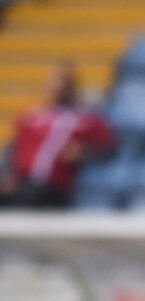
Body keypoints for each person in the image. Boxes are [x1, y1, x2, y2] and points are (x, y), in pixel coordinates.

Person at [0, 61, 114, 208]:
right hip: (21, 182)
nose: (56, 86)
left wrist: (84, 152)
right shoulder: (32, 116)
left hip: (53, 187)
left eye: (62, 81)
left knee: (33, 195)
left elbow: (110, 147)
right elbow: (13, 148)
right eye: (53, 81)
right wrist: (9, 177)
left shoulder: (84, 119)